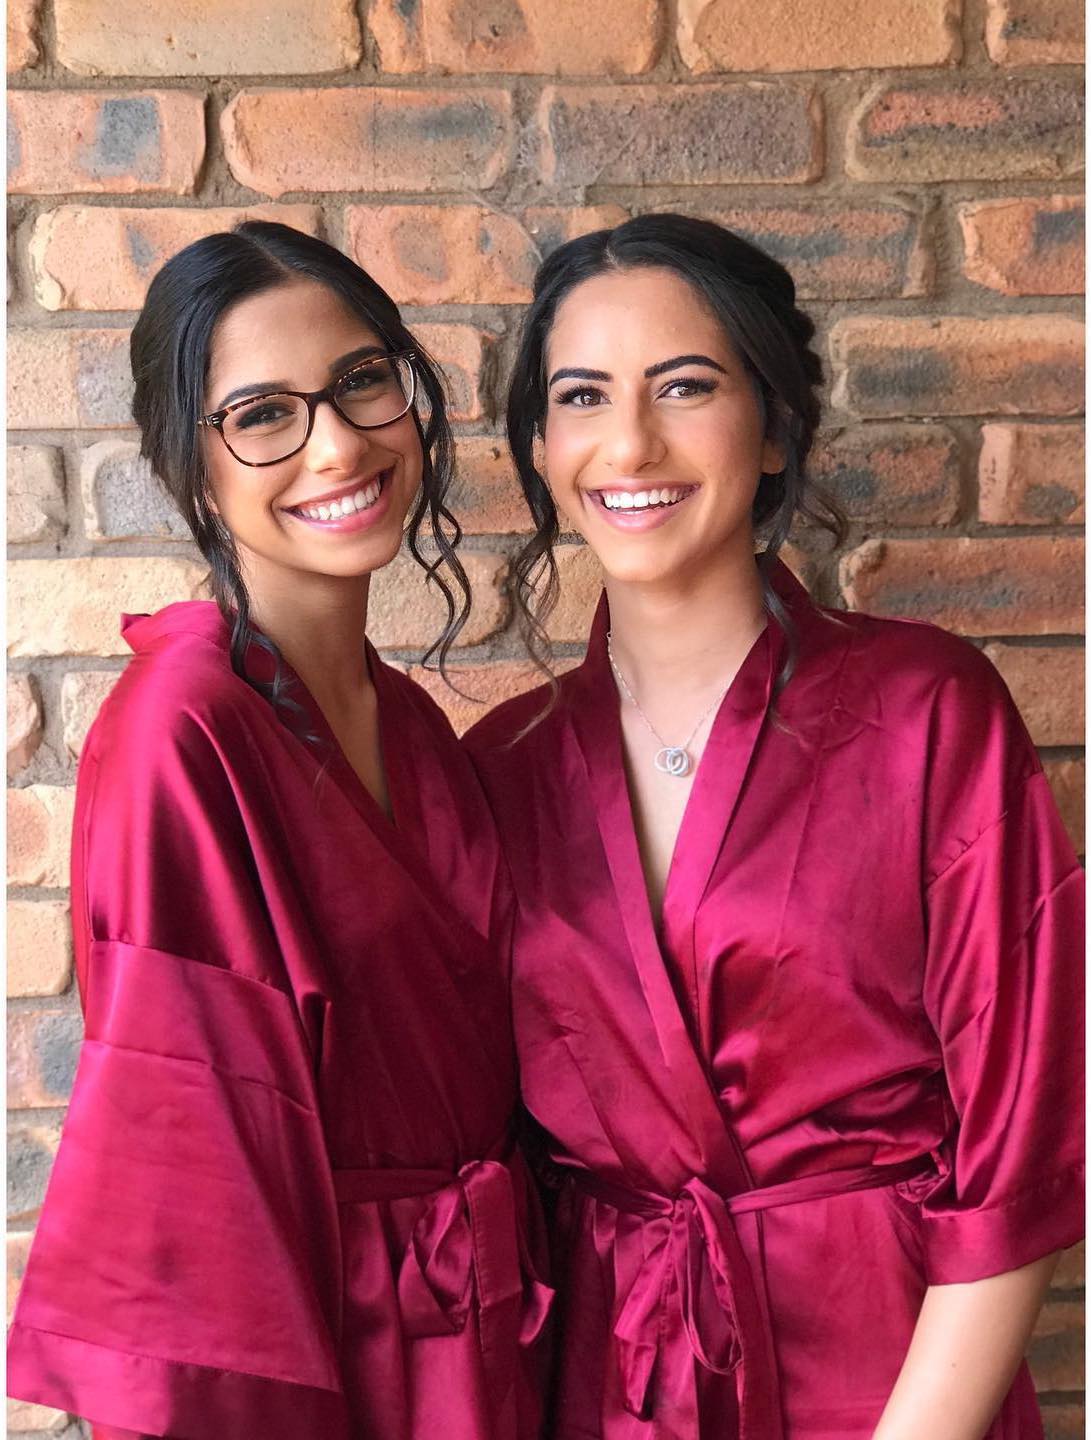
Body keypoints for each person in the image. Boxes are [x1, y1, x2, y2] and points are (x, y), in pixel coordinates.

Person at [464, 214, 1083, 1440]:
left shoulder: (924, 711)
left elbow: (1018, 1149)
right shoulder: (497, 770)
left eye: (684, 386)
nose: (628, 440)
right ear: (539, 447)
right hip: (614, 1380)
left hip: (892, 1368)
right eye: (581, 396)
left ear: (773, 425)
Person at [7, 222, 550, 1440]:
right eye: (262, 415)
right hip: (330, 1374)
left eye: (363, 380)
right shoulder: (180, 734)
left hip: (495, 1344)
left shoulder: (406, 719)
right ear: (188, 466)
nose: (338, 442)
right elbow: (187, 1189)